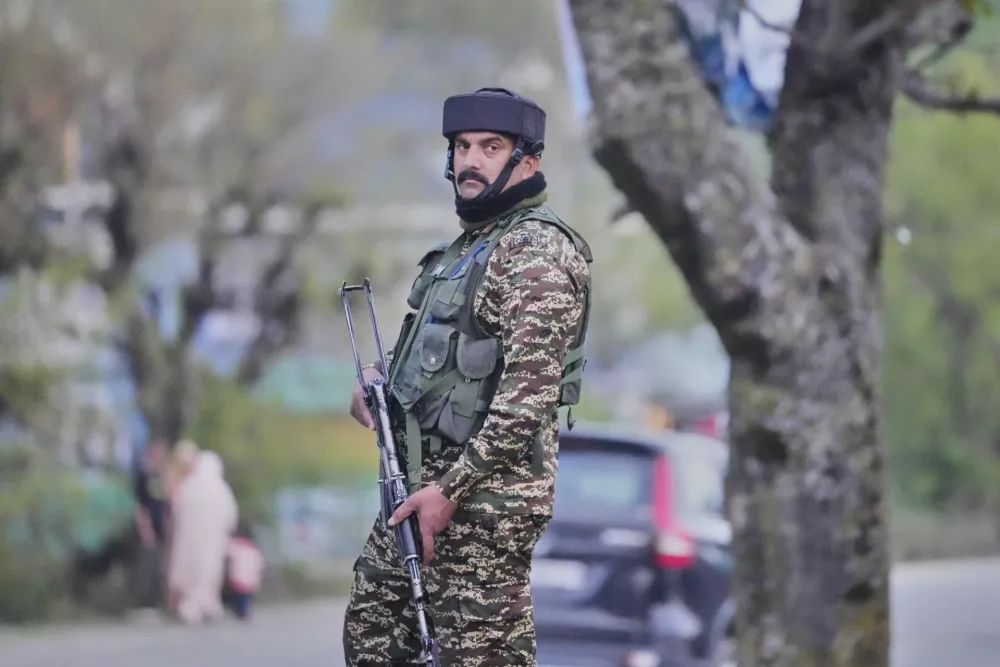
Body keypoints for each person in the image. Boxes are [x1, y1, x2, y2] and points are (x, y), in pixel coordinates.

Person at [343, 87, 593, 666]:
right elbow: (442, 361)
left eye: (490, 146)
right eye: (461, 147)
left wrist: (450, 492)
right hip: (416, 489)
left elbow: (525, 402)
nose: (470, 161)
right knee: (375, 636)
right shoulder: (465, 249)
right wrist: (382, 384)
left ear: (527, 160)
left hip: (484, 504)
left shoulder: (535, 250)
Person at [167, 449, 239, 625]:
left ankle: (203, 605)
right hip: (213, 541)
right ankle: (195, 606)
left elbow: (177, 510)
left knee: (191, 570)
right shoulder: (221, 489)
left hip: (189, 538)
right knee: (209, 572)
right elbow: (230, 516)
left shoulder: (189, 486)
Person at [132, 439, 169, 609]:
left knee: (158, 566)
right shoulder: (143, 474)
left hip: (160, 527)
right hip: (148, 528)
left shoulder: (160, 475)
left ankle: (156, 602)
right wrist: (145, 527)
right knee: (146, 565)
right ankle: (143, 603)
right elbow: (140, 504)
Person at [226, 520, 265, 621]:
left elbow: (229, 554)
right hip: (250, 576)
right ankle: (244, 611)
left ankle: (241, 611)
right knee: (246, 595)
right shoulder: (254, 549)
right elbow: (259, 562)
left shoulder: (236, 545)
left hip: (238, 575)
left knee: (240, 595)